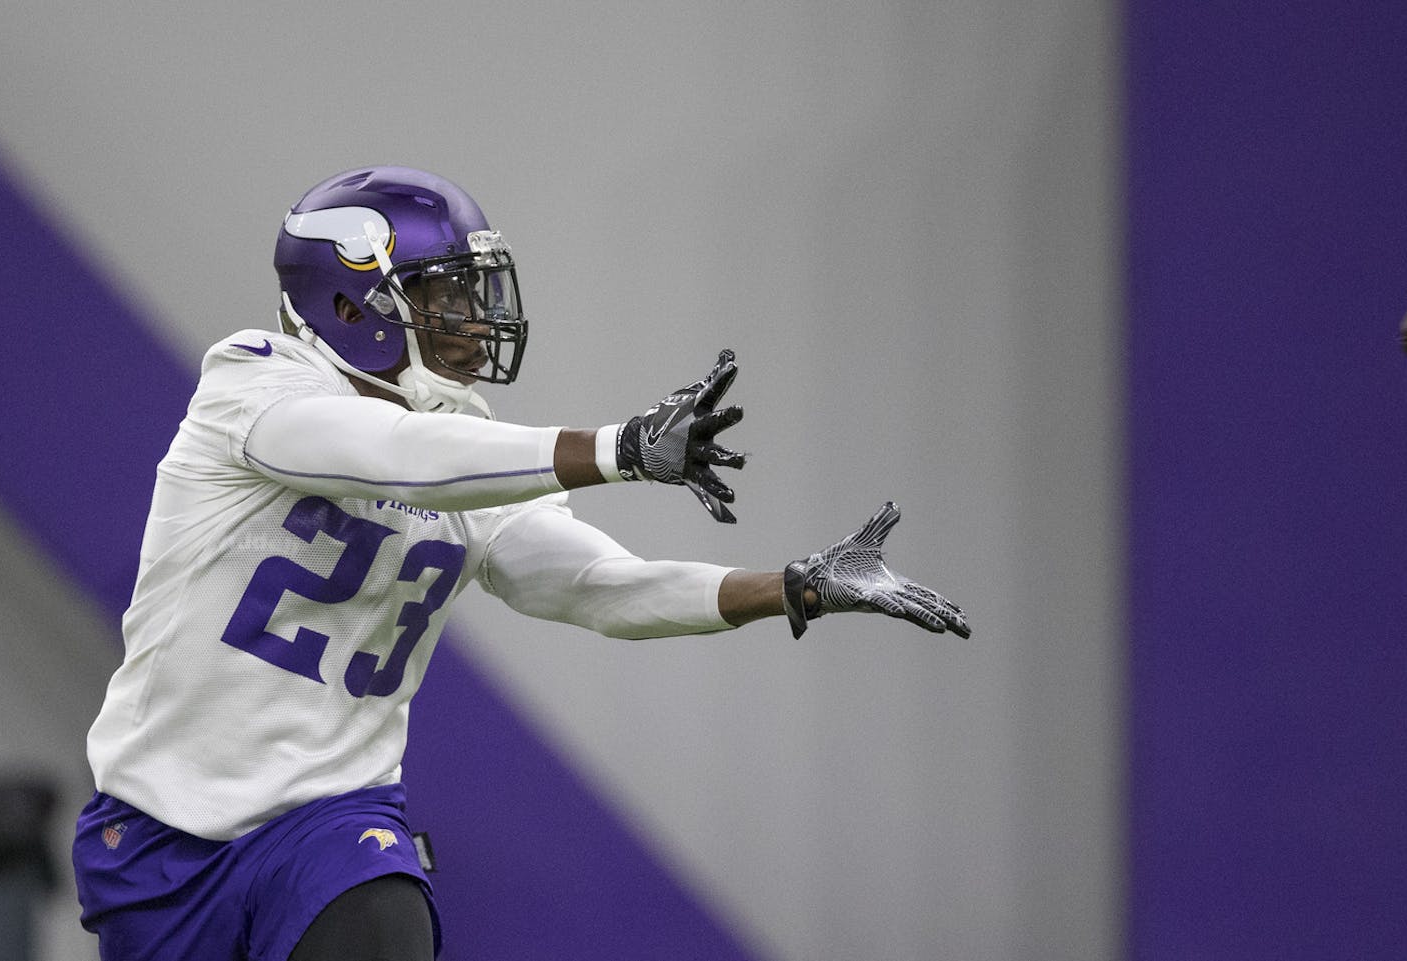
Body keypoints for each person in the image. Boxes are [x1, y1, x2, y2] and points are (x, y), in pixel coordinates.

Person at [71, 165, 970, 961]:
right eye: (443, 294)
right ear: (350, 305)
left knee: (382, 914)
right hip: (164, 830)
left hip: (331, 818)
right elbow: (389, 453)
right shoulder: (252, 383)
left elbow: (595, 584)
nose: (473, 318)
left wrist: (788, 585)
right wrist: (618, 447)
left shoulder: (469, 440)